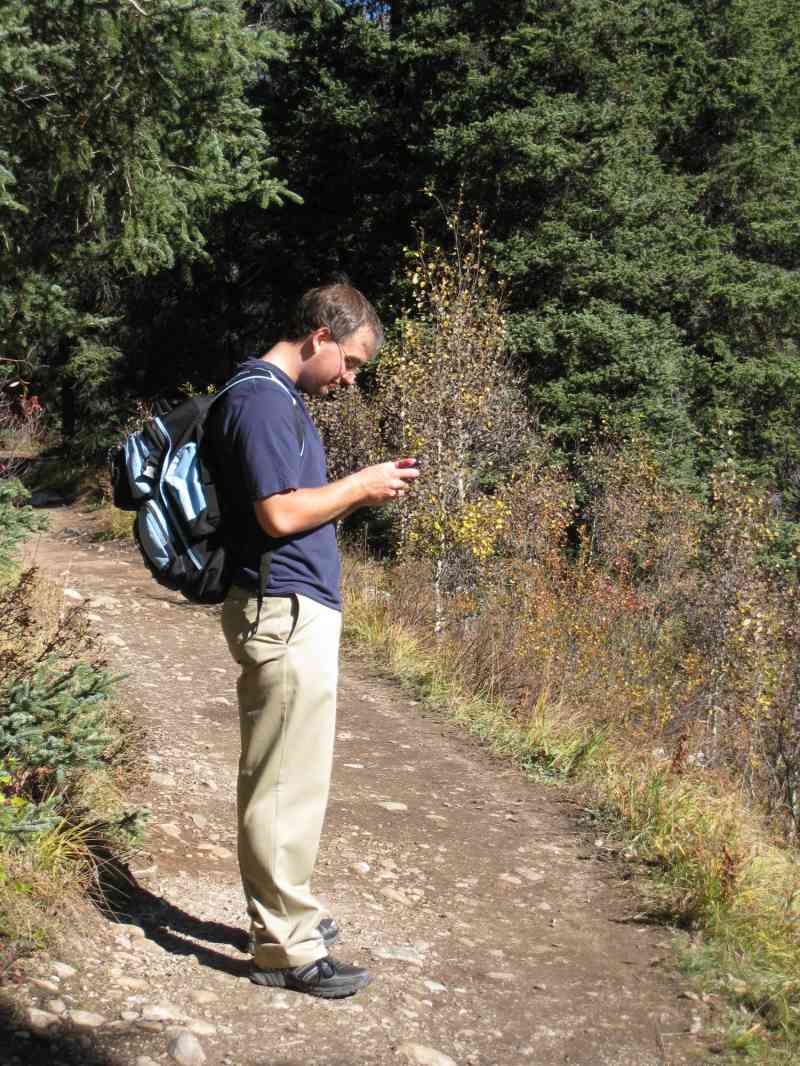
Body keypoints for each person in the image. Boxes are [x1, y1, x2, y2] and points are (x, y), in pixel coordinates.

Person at [207, 283, 419, 999]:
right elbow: (278, 512)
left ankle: (288, 914)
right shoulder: (263, 400)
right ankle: (283, 945)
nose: (351, 379)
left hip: (295, 610)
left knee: (296, 778)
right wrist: (360, 485)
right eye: (352, 362)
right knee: (282, 783)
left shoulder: (277, 398)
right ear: (320, 336)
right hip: (281, 611)